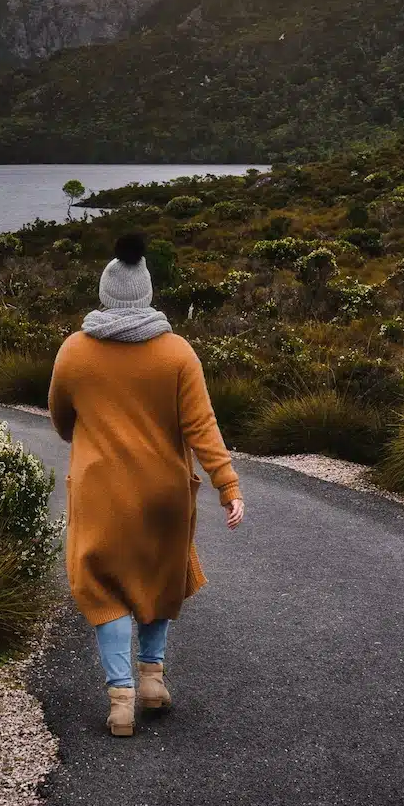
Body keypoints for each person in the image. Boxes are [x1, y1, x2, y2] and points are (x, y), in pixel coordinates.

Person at [48, 231, 246, 738]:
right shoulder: (178, 353)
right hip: (164, 494)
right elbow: (202, 428)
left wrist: (90, 436)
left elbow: (60, 418)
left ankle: (120, 702)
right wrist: (228, 486)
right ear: (147, 293)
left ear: (105, 293)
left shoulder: (74, 351)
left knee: (105, 586)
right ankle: (153, 680)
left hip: (99, 492)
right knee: (157, 576)